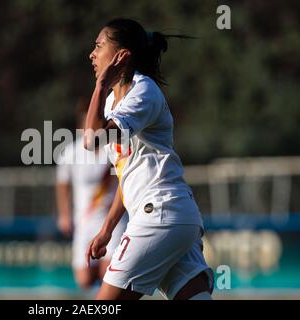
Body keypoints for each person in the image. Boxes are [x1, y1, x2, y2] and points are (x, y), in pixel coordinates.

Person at [84, 18, 214, 300]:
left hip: (159, 215)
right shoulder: (112, 103)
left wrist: (100, 85)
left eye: (99, 46)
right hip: (175, 218)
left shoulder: (143, 90)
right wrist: (106, 230)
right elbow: (127, 173)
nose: (91, 54)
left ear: (122, 55)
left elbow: (91, 140)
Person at [56, 101, 128, 290]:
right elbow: (62, 184)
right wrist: (64, 215)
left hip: (112, 219)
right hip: (85, 219)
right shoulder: (71, 152)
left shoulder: (111, 148)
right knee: (84, 279)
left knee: (110, 275)